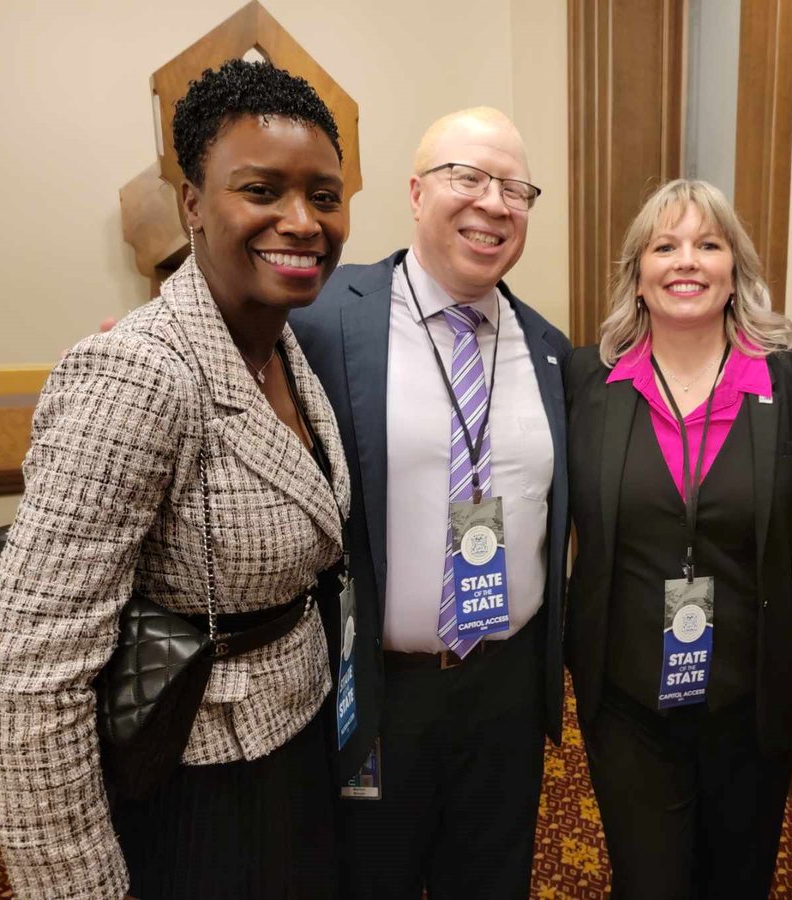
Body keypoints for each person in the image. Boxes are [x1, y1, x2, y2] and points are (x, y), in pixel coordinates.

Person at [0, 60, 352, 900]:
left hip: (297, 749)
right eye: (262, 189)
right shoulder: (135, 373)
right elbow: (24, 676)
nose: (302, 220)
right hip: (193, 785)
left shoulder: (285, 350)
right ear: (192, 204)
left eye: (325, 195)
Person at [290, 106, 571, 899]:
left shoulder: (549, 348)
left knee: (491, 878)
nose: (492, 203)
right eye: (467, 177)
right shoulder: (325, 319)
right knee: (371, 878)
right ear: (416, 194)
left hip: (505, 689)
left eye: (515, 188)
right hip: (380, 687)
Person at [564, 179, 792, 899]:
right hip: (628, 702)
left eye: (708, 245)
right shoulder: (587, 382)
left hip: (751, 702)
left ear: (734, 269)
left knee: (738, 882)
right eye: (666, 246)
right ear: (638, 275)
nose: (688, 261)